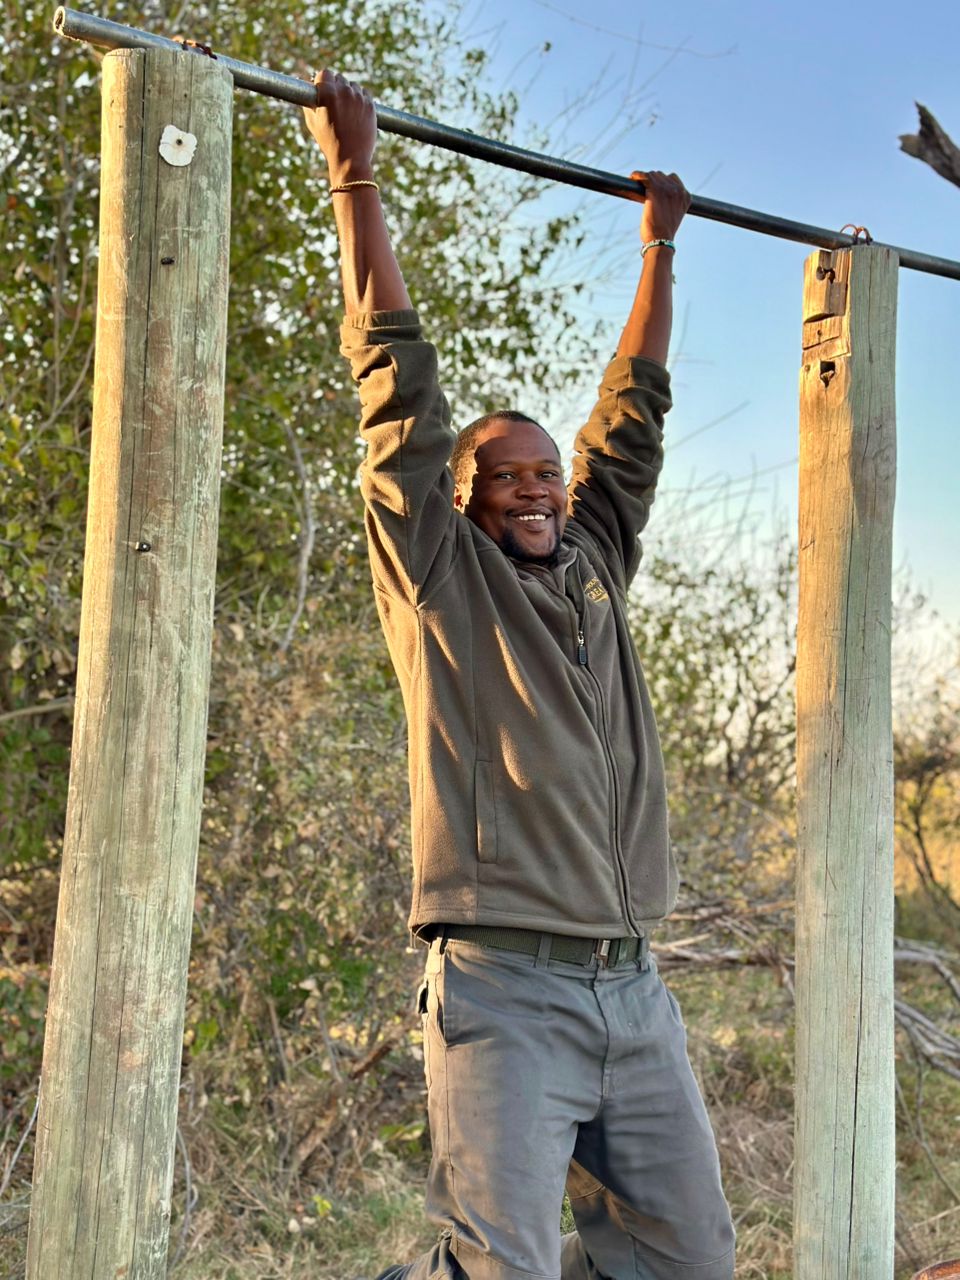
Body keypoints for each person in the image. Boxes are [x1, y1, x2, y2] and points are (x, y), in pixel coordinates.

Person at [304, 69, 735, 1280]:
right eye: (510, 472)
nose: (541, 485)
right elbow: (393, 379)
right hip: (505, 988)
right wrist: (355, 167)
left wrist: (657, 246)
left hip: (633, 985)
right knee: (502, 1268)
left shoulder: (594, 558)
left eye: (548, 470)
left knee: (687, 1258)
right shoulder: (442, 579)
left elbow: (632, 416)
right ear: (462, 495)